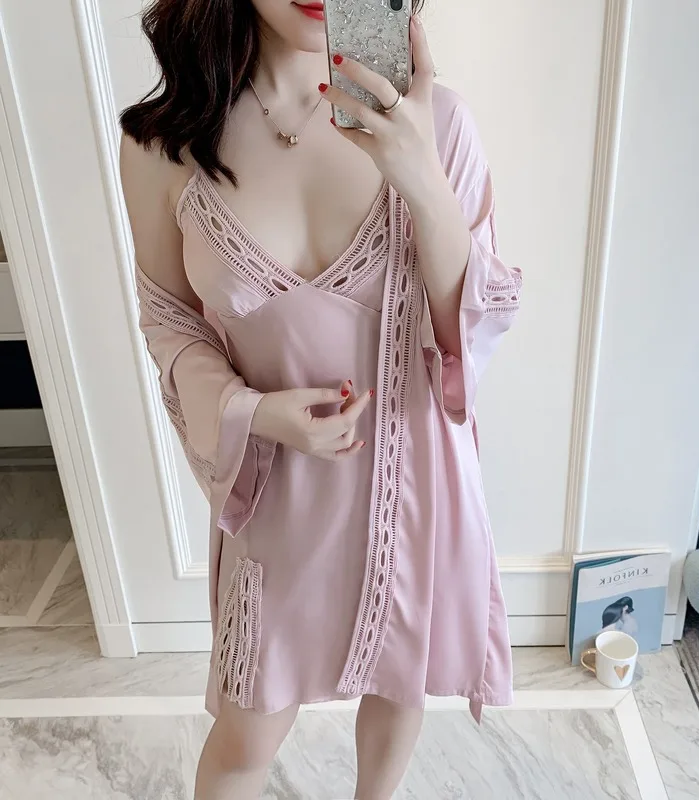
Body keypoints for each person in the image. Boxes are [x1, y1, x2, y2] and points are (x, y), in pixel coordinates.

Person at [119, 1, 522, 797]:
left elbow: (471, 329)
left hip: (413, 482)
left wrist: (420, 176)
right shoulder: (163, 143)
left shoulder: (437, 122)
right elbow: (169, 320)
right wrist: (250, 412)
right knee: (245, 735)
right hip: (280, 492)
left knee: (399, 681)